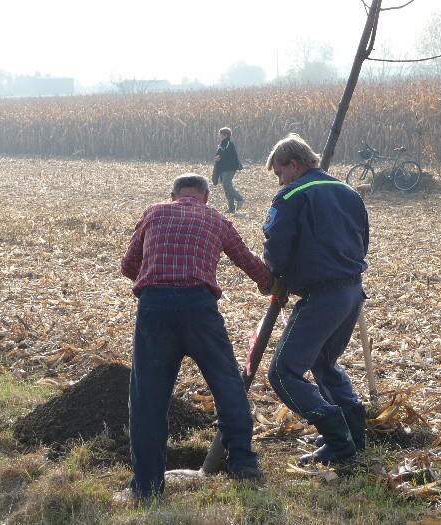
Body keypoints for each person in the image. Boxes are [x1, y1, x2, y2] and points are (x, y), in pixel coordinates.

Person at [119, 173, 275, 501]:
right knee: (227, 383)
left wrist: (155, 277)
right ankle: (244, 463)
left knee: (148, 398)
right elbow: (248, 262)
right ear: (206, 195)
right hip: (199, 306)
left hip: (155, 307)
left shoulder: (154, 212)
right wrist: (272, 284)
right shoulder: (217, 219)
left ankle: (145, 487)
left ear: (173, 193)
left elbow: (128, 265)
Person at [261, 133, 370, 466]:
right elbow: (363, 239)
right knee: (323, 364)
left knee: (282, 371)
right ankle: (355, 434)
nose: (279, 180)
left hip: (322, 294)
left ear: (294, 165)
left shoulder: (291, 195)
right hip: (352, 291)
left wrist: (275, 276)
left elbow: (276, 244)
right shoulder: (349, 192)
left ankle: (339, 442)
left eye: (279, 173)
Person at [213, 127, 244, 213]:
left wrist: (220, 156)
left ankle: (240, 199)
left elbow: (229, 154)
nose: (220, 136)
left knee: (226, 184)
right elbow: (219, 155)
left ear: (226, 135)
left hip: (230, 168)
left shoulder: (230, 144)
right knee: (226, 187)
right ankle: (231, 208)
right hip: (223, 169)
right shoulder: (220, 145)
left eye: (221, 134)